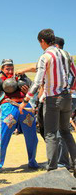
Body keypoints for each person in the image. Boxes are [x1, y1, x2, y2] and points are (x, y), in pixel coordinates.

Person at [19, 29, 76, 176]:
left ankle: (51, 169)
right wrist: (70, 89)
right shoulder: (67, 54)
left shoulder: (45, 56)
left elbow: (38, 81)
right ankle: (74, 163)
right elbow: (75, 75)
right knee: (66, 132)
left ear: (42, 41)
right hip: (67, 98)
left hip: (52, 99)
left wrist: (25, 100)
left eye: (40, 43)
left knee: (51, 134)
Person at [0, 59, 39, 174]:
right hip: (9, 107)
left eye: (12, 68)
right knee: (3, 136)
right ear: (2, 69)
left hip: (25, 107)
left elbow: (33, 90)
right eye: (7, 68)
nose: (10, 71)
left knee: (32, 137)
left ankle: (32, 162)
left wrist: (27, 91)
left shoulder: (21, 78)